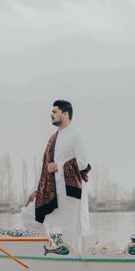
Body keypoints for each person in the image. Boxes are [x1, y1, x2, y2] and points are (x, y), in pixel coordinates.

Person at [33, 99, 91, 252]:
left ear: (65, 114)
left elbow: (83, 163)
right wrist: (35, 190)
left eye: (54, 112)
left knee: (71, 232)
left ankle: (75, 263)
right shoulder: (53, 138)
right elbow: (46, 168)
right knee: (30, 216)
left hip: (71, 192)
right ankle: (49, 248)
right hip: (51, 192)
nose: (51, 115)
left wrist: (58, 166)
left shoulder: (78, 135)